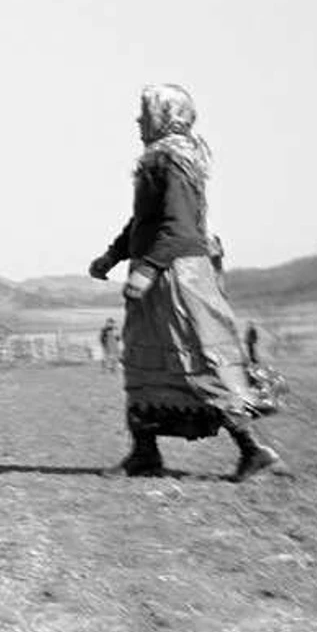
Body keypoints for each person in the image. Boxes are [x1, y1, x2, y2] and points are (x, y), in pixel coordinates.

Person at [88, 84, 283, 482]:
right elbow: (145, 222)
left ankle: (253, 451)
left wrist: (147, 270)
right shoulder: (157, 160)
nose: (139, 120)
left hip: (178, 280)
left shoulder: (173, 160)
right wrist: (113, 255)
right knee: (143, 364)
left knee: (200, 364)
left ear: (166, 115)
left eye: (145, 113)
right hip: (163, 276)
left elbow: (178, 228)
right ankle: (144, 454)